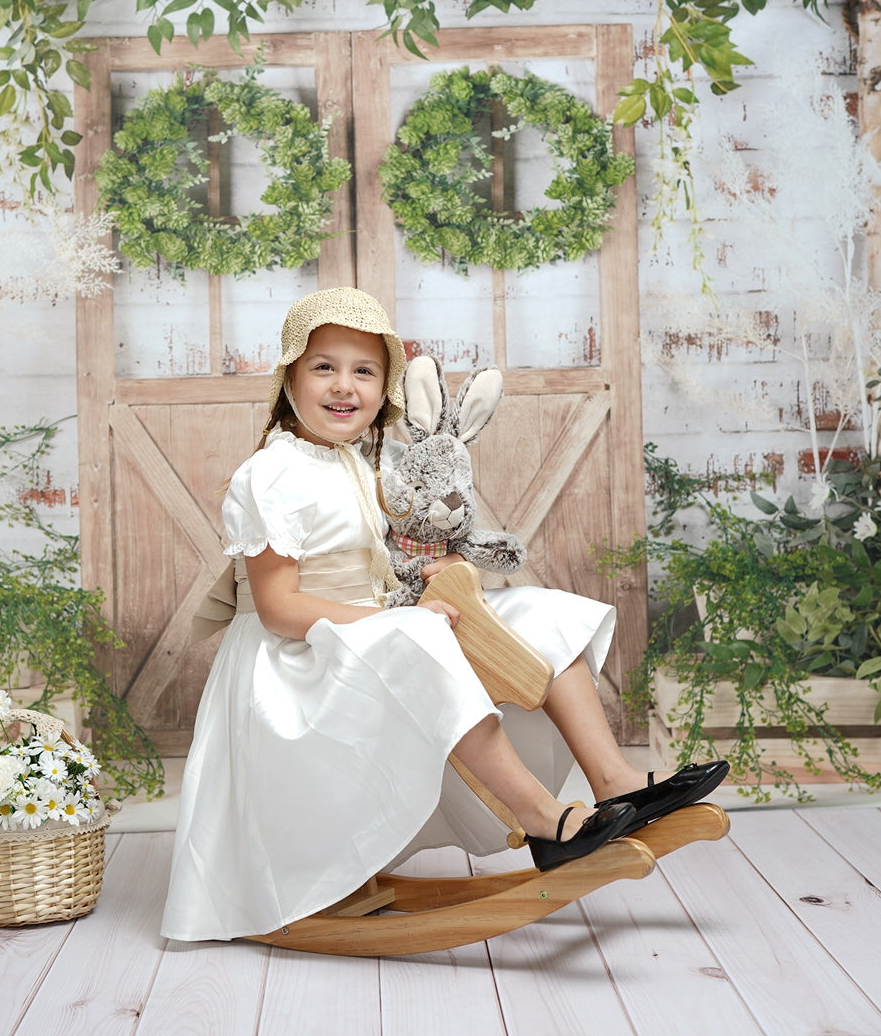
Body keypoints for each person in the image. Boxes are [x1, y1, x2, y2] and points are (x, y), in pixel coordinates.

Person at [162, 286, 724, 943]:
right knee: (418, 635)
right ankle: (543, 820)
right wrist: (395, 619)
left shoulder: (376, 464)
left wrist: (433, 575)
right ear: (289, 377)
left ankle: (614, 779)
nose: (344, 386)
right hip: (300, 663)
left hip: (381, 630)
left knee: (537, 614)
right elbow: (280, 608)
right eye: (323, 367)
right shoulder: (270, 474)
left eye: (364, 371)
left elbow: (399, 553)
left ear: (386, 389)